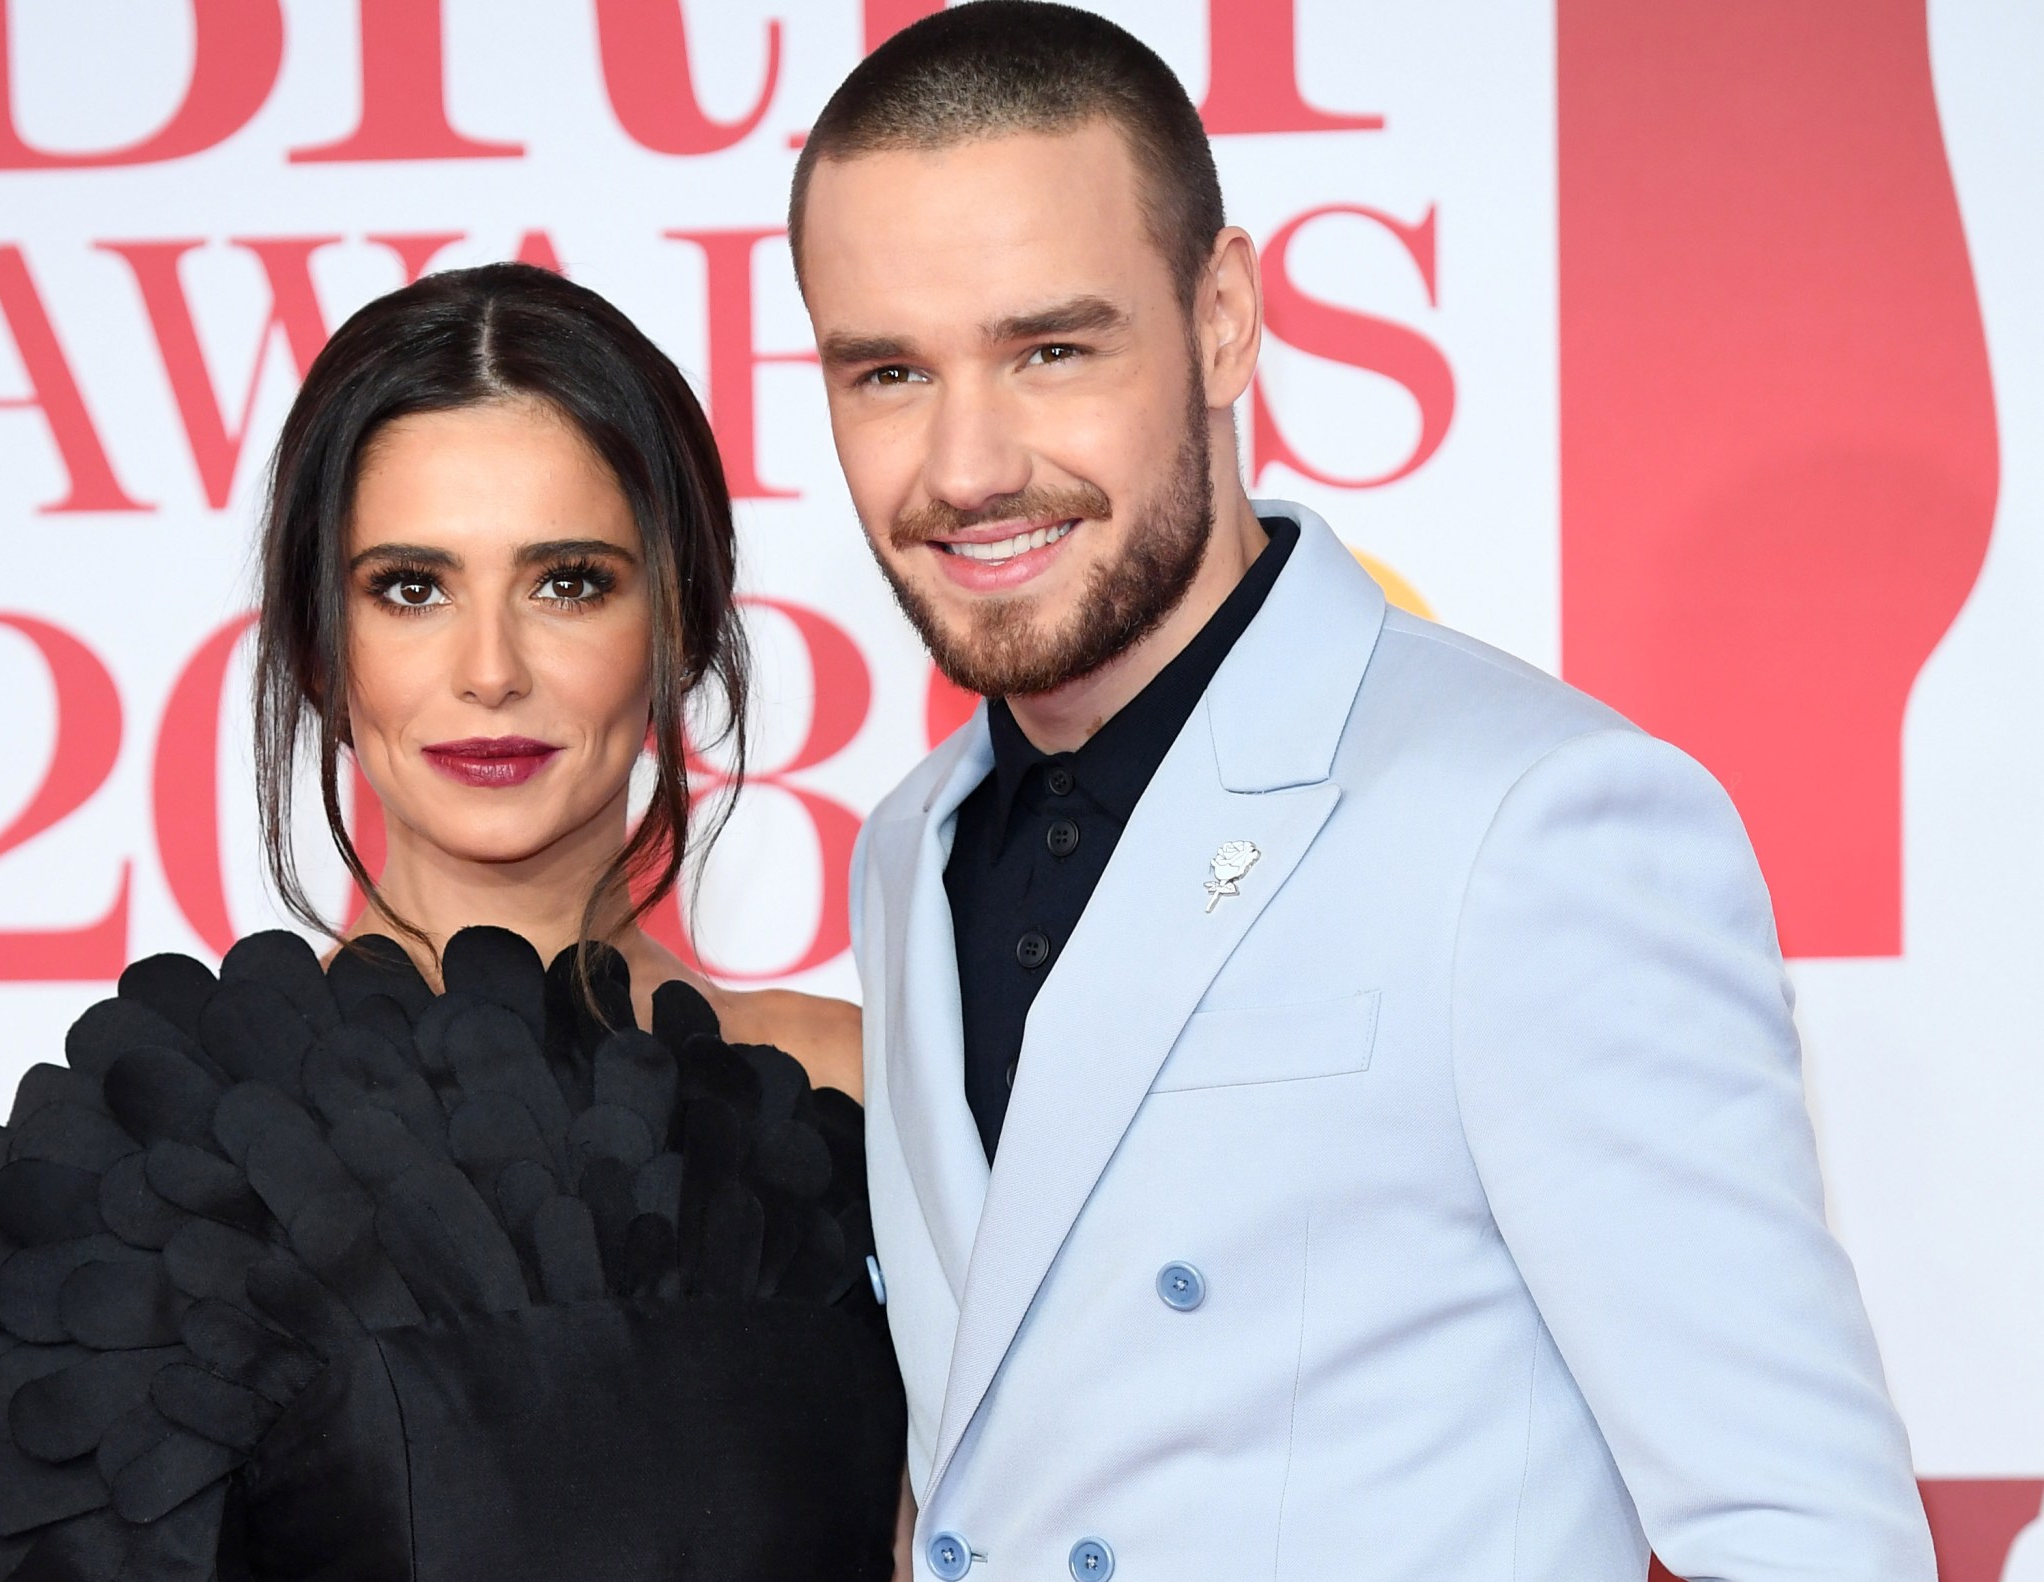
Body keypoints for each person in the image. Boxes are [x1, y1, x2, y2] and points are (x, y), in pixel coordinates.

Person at [793, 5, 1933, 1579]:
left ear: (1222, 322)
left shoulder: (1533, 823)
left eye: (1051, 348)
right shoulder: (908, 847)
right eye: (889, 372)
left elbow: (1809, 1535)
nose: (969, 462)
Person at [0, 264, 908, 1581]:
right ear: (322, 646)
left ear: (682, 622)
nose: (489, 667)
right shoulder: (164, 1175)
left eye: (568, 582)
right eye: (409, 587)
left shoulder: (878, 1095)